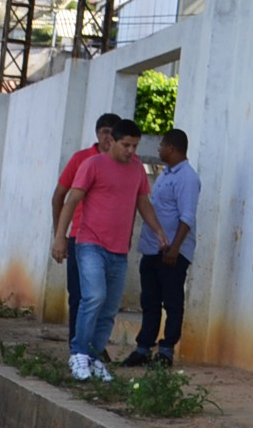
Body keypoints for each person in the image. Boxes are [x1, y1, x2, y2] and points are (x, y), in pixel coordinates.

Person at [52, 118, 166, 382]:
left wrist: (158, 230)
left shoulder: (137, 169)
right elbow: (72, 200)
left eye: (135, 146)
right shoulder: (92, 164)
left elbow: (143, 204)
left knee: (109, 307)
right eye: (126, 145)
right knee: (93, 297)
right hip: (89, 243)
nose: (131, 151)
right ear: (111, 141)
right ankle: (78, 353)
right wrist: (59, 237)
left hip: (119, 249)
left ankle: (93, 356)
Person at [121, 128, 200, 369]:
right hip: (153, 249)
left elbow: (187, 217)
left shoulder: (187, 177)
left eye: (162, 145)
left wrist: (175, 248)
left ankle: (166, 351)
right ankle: (144, 347)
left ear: (172, 148)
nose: (159, 149)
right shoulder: (166, 174)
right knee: (150, 300)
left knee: (172, 301)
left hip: (172, 253)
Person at [51, 112, 120, 348]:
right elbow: (59, 196)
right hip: (79, 237)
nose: (108, 138)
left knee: (105, 298)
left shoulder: (126, 162)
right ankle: (77, 346)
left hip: (111, 241)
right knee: (80, 295)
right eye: (105, 132)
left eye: (113, 133)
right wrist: (58, 234)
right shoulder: (81, 158)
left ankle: (96, 347)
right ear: (97, 134)